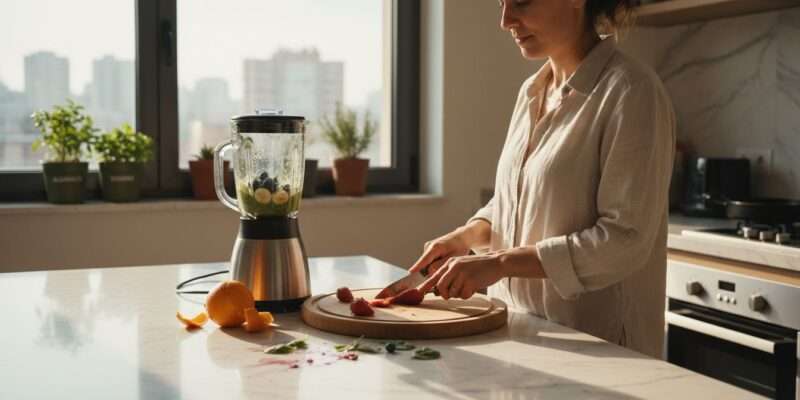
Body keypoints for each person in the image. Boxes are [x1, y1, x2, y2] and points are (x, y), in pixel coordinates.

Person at [414, 0, 675, 358]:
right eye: (501, 3)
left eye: (520, 2)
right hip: (518, 336)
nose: (506, 20)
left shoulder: (631, 91)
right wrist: (466, 236)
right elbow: (520, 199)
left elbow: (623, 241)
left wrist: (500, 263)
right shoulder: (531, 92)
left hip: (599, 353)